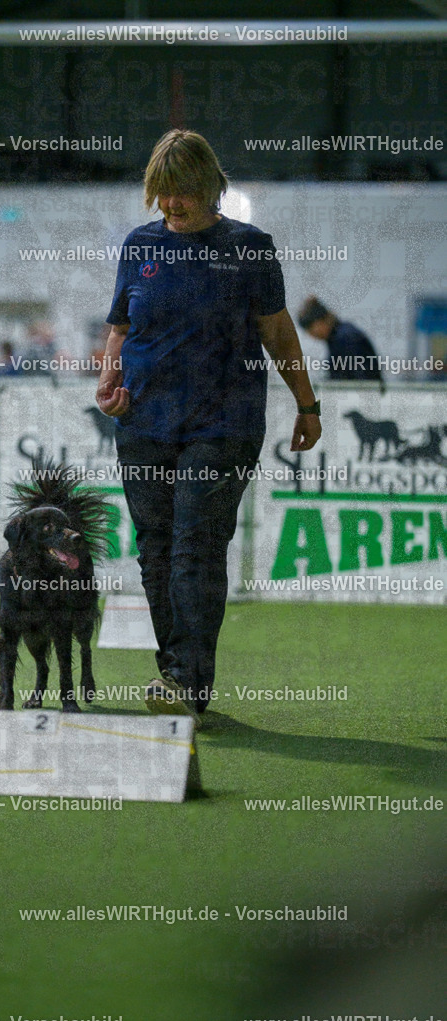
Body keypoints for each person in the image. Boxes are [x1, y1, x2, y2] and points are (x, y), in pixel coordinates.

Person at [96, 129, 322, 725]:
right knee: (156, 551)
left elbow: (277, 331)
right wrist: (108, 383)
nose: (173, 205)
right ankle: (176, 671)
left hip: (223, 425)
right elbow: (121, 327)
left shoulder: (248, 248)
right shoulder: (139, 246)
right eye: (164, 194)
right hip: (144, 423)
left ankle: (185, 682)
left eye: (184, 193)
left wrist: (307, 404)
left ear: (210, 186)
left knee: (196, 546)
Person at [297, 295, 385, 389]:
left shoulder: (345, 338)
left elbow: (361, 376)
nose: (312, 336)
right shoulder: (337, 337)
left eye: (311, 329)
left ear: (321, 321)